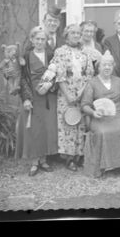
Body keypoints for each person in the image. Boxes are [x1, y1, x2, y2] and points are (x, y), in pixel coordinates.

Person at [40, 24, 95, 171]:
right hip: (66, 93)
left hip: (82, 93)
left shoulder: (85, 52)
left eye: (78, 33)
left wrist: (82, 92)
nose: (76, 35)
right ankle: (69, 158)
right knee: (69, 123)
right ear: (66, 35)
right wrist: (69, 95)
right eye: (73, 33)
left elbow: (89, 74)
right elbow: (60, 75)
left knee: (82, 123)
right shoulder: (60, 52)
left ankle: (81, 156)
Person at [81, 50, 120, 177]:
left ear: (113, 66)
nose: (107, 67)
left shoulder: (119, 81)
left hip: (119, 115)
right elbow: (84, 105)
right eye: (104, 65)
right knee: (103, 132)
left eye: (110, 64)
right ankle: (105, 165)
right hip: (100, 117)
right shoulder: (92, 83)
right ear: (99, 67)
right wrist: (93, 112)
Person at [16, 26, 58, 176]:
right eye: (37, 39)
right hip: (33, 97)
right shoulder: (26, 57)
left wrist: (50, 85)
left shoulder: (52, 54)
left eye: (43, 39)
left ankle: (44, 160)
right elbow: (22, 78)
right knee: (33, 129)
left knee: (47, 128)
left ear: (46, 40)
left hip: (48, 97)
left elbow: (58, 75)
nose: (40, 41)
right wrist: (26, 98)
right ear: (32, 40)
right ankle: (34, 162)